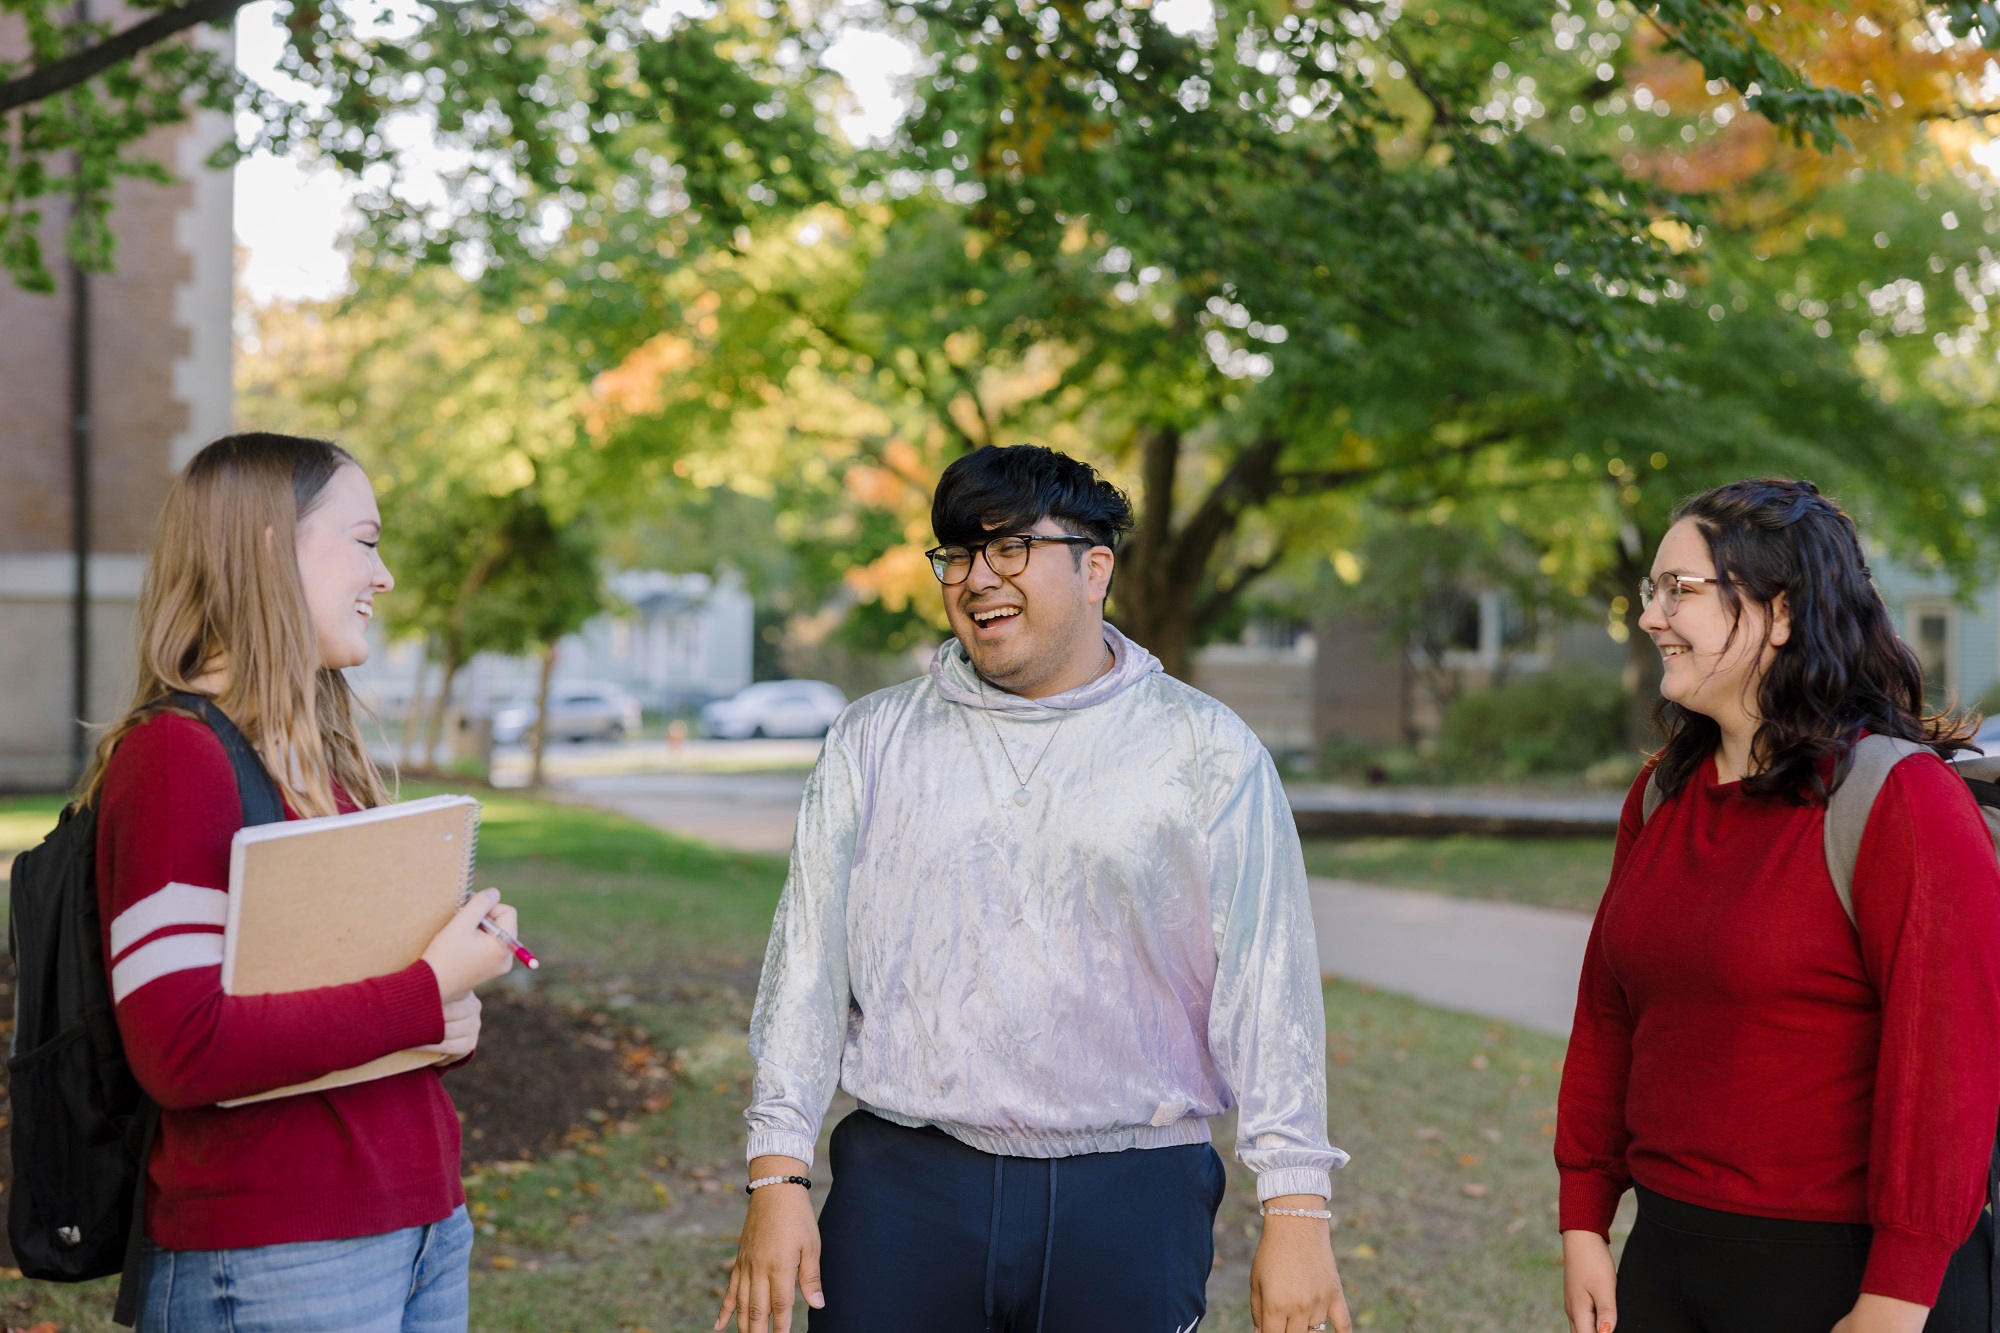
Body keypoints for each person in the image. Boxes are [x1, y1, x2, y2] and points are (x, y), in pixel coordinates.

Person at [716, 444, 1349, 1333]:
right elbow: (806, 972)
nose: (979, 578)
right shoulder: (872, 741)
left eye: (1010, 548)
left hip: (1130, 1192)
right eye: (960, 555)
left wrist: (1297, 1206)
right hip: (905, 1185)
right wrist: (776, 1170)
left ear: (1096, 568)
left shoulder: (1206, 750)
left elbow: (1269, 988)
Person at [82, 433, 520, 1331]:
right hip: (279, 1250)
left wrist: (448, 1012)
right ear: (272, 544)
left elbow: (366, 999)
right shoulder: (176, 757)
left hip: (423, 1222)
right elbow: (183, 1048)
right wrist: (430, 991)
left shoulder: (325, 763)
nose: (384, 574)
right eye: (365, 540)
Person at [1557, 479, 2000, 1333]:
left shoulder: (1903, 802)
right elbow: (1607, 1015)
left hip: (1847, 1279)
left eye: (1678, 590)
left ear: (1782, 613)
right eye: (1653, 589)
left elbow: (1948, 1069)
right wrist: (1585, 1213)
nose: (1650, 615)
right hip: (1669, 1256)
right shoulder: (1661, 794)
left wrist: (1894, 1301)